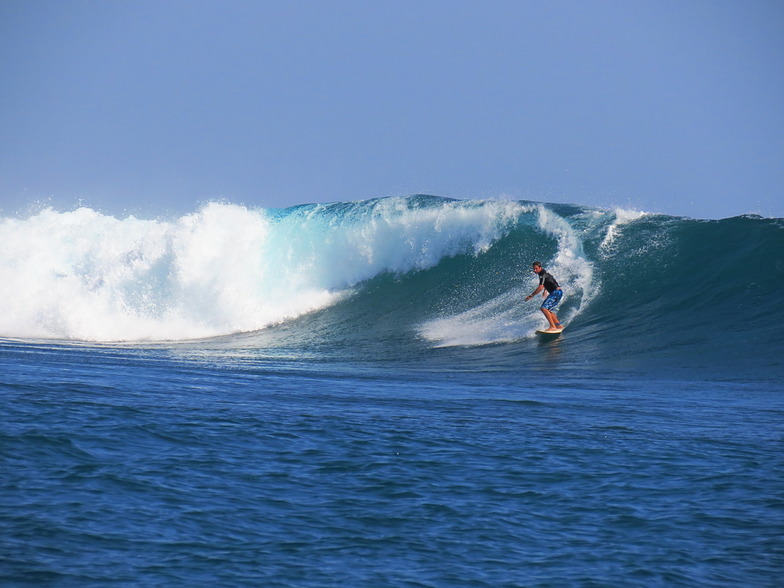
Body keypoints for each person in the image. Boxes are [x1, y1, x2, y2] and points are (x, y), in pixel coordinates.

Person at [525, 261, 564, 332]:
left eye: (536, 268)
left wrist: (531, 295)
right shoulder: (544, 273)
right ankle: (558, 325)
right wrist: (545, 291)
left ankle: (553, 327)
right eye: (534, 269)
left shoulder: (542, 274)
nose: (534, 270)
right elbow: (549, 281)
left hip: (555, 292)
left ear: (540, 267)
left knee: (543, 308)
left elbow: (540, 287)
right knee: (548, 310)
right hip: (558, 292)